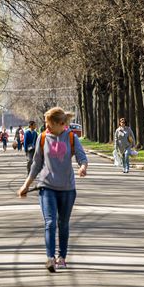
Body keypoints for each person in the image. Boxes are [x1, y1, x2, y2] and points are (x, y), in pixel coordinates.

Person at [18, 107, 88, 272]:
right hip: (47, 187)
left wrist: (83, 167)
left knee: (63, 224)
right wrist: (26, 185)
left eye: (50, 124)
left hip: (67, 189)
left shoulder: (71, 137)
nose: (47, 127)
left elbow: (81, 157)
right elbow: (36, 164)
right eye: (46, 124)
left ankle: (61, 257)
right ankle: (50, 258)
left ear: (61, 124)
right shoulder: (42, 137)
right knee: (50, 222)